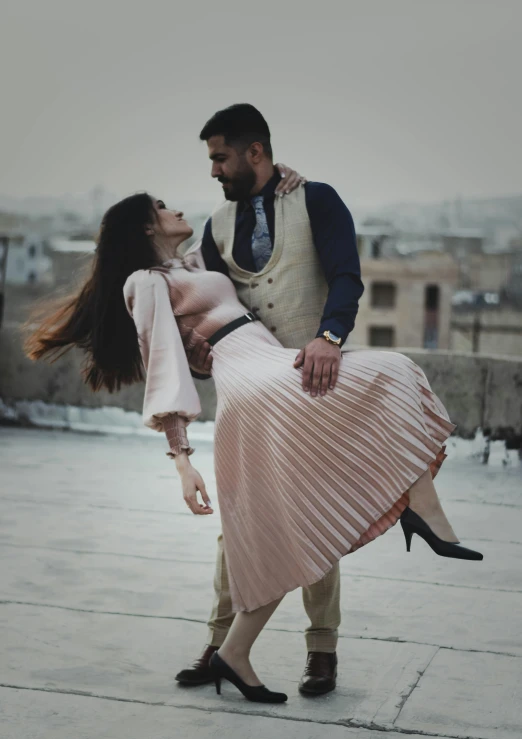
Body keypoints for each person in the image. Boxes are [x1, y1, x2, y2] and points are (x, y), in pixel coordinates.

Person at [25, 190, 483, 705]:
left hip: (268, 366)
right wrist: (181, 461)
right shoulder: (145, 283)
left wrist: (286, 179)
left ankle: (235, 652)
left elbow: (240, 249)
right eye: (161, 206)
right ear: (146, 227)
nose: (174, 207)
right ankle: (421, 517)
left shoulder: (189, 263)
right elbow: (162, 366)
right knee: (391, 373)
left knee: (288, 522)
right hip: (252, 377)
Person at [177, 103, 366, 696]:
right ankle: (218, 644)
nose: (213, 170)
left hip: (314, 386)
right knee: (236, 515)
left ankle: (322, 650)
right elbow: (210, 310)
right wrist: (200, 357)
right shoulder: (213, 225)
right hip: (247, 393)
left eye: (219, 156)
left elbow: (347, 277)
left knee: (317, 515)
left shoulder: (317, 200)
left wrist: (329, 337)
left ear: (254, 153)